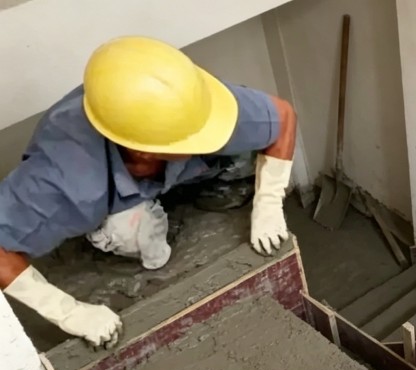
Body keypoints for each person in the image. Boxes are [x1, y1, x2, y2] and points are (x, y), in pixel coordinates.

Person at [0, 36, 297, 349]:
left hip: (161, 166)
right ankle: (112, 224)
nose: (209, 132)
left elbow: (283, 116)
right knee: (134, 235)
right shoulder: (66, 181)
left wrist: (268, 203)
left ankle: (196, 185)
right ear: (143, 151)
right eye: (195, 137)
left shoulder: (185, 103)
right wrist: (69, 313)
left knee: (241, 160)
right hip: (106, 197)